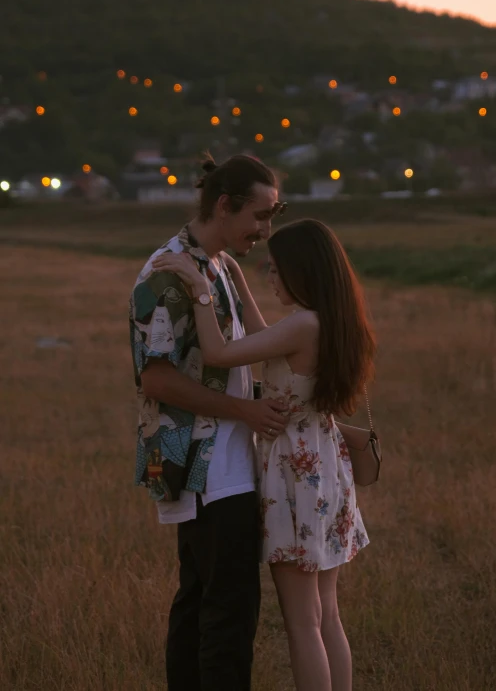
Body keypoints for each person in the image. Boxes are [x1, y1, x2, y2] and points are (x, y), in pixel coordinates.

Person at [151, 218, 376, 691]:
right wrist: (231, 273)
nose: (270, 278)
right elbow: (263, 337)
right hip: (326, 463)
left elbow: (218, 352)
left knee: (302, 622)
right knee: (328, 615)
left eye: (276, 270)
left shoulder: (301, 326)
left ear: (302, 271)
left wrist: (200, 289)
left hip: (296, 473)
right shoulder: (330, 321)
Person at [129, 154, 290, 691]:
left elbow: (249, 348)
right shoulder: (167, 273)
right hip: (202, 469)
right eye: (261, 215)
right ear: (224, 205)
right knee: (226, 614)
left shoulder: (218, 266)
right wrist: (246, 410)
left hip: (227, 466)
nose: (267, 230)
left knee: (204, 604)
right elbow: (155, 381)